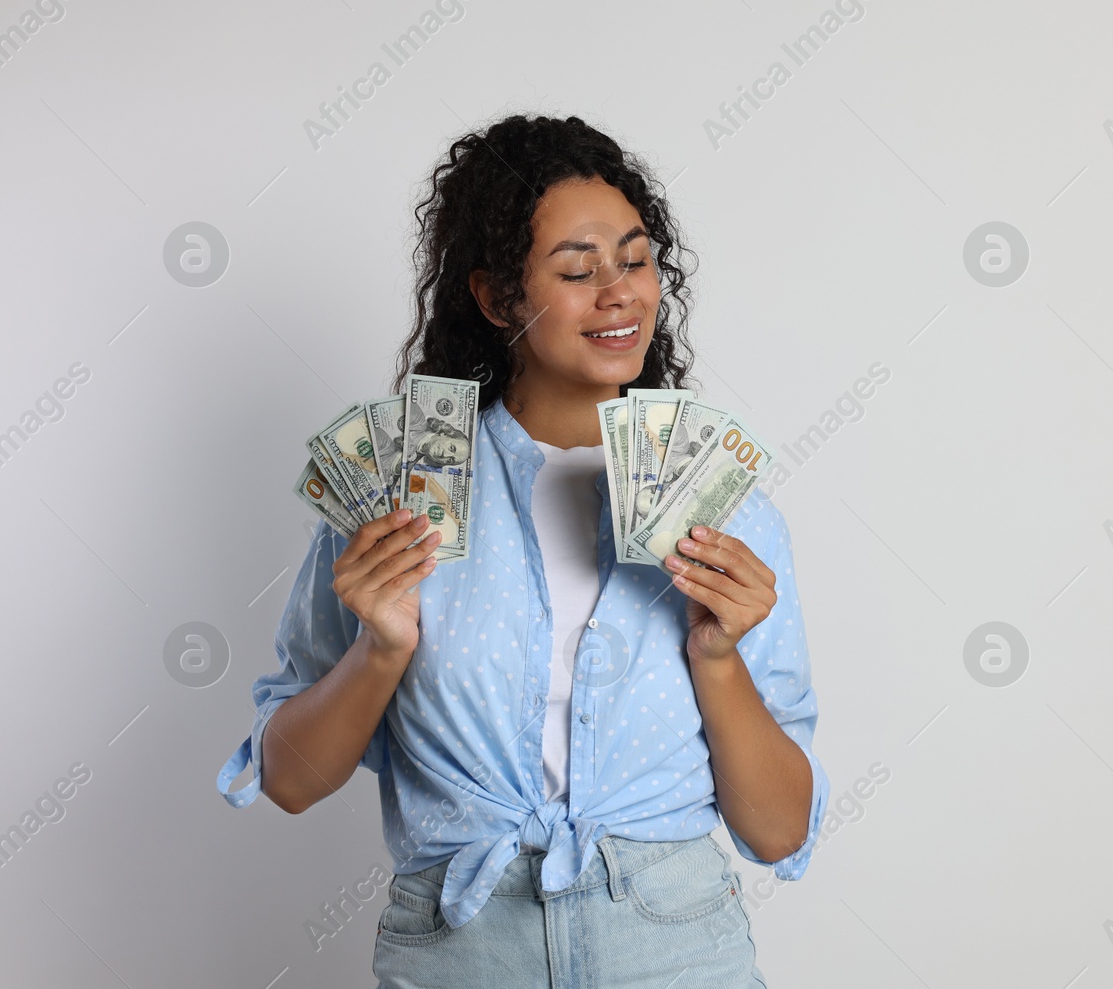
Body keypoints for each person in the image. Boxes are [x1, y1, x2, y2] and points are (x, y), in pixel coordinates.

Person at [214, 114, 829, 987]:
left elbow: (777, 829)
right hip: (461, 944)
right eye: (578, 269)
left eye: (637, 257)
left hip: (674, 940)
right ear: (499, 298)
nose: (620, 292)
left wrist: (718, 657)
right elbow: (290, 779)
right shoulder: (400, 499)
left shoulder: (727, 515)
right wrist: (381, 649)